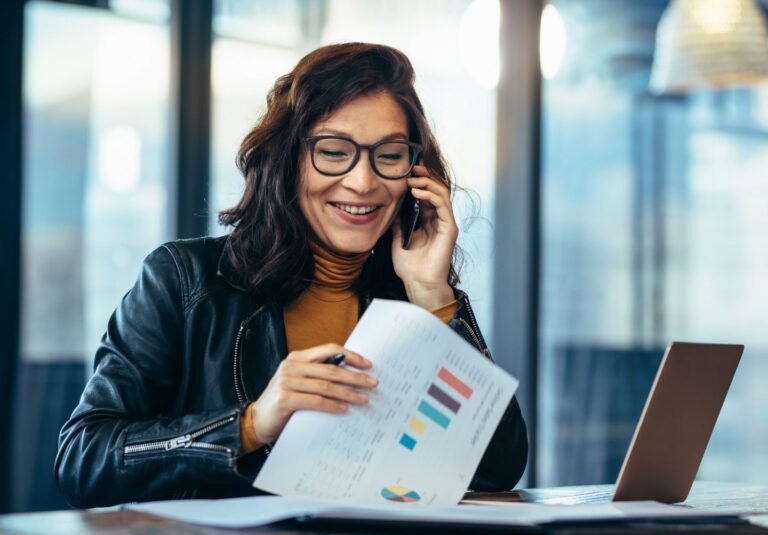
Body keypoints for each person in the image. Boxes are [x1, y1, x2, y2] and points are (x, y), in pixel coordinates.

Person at [55, 42, 528, 509]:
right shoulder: (185, 280)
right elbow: (83, 458)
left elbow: (496, 467)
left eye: (388, 155)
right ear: (287, 160)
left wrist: (433, 297)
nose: (363, 182)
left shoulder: (412, 294)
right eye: (334, 151)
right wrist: (250, 425)